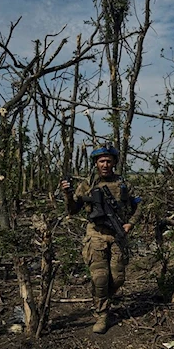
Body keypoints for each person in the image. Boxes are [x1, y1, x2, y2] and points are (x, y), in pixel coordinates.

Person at [61, 143, 141, 334]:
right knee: (100, 278)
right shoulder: (87, 185)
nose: (105, 164)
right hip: (95, 234)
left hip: (117, 235)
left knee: (118, 278)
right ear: (96, 163)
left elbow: (138, 205)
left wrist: (130, 223)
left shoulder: (124, 184)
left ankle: (100, 297)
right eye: (101, 161)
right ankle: (102, 314)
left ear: (114, 162)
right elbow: (72, 210)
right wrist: (68, 194)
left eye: (108, 161)